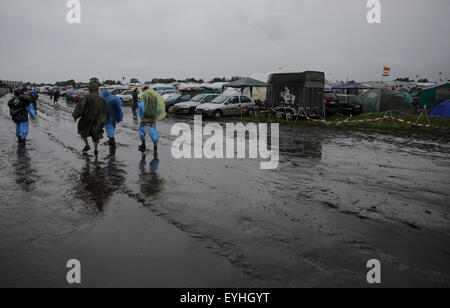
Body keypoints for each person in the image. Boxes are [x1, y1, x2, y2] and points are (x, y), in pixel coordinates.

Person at [73, 79, 109, 156]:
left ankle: (87, 144)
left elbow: (80, 107)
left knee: (83, 131)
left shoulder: (86, 97)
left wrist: (76, 115)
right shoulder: (101, 99)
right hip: (98, 120)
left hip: (86, 118)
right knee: (96, 134)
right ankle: (96, 149)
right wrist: (104, 120)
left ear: (90, 88)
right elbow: (105, 111)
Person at [137, 86, 165, 155]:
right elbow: (159, 108)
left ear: (144, 90)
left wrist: (141, 114)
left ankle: (143, 145)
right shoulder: (155, 97)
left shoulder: (143, 96)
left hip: (145, 117)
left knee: (141, 130)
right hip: (153, 117)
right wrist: (155, 114)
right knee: (153, 131)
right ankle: (155, 149)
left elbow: (141, 106)